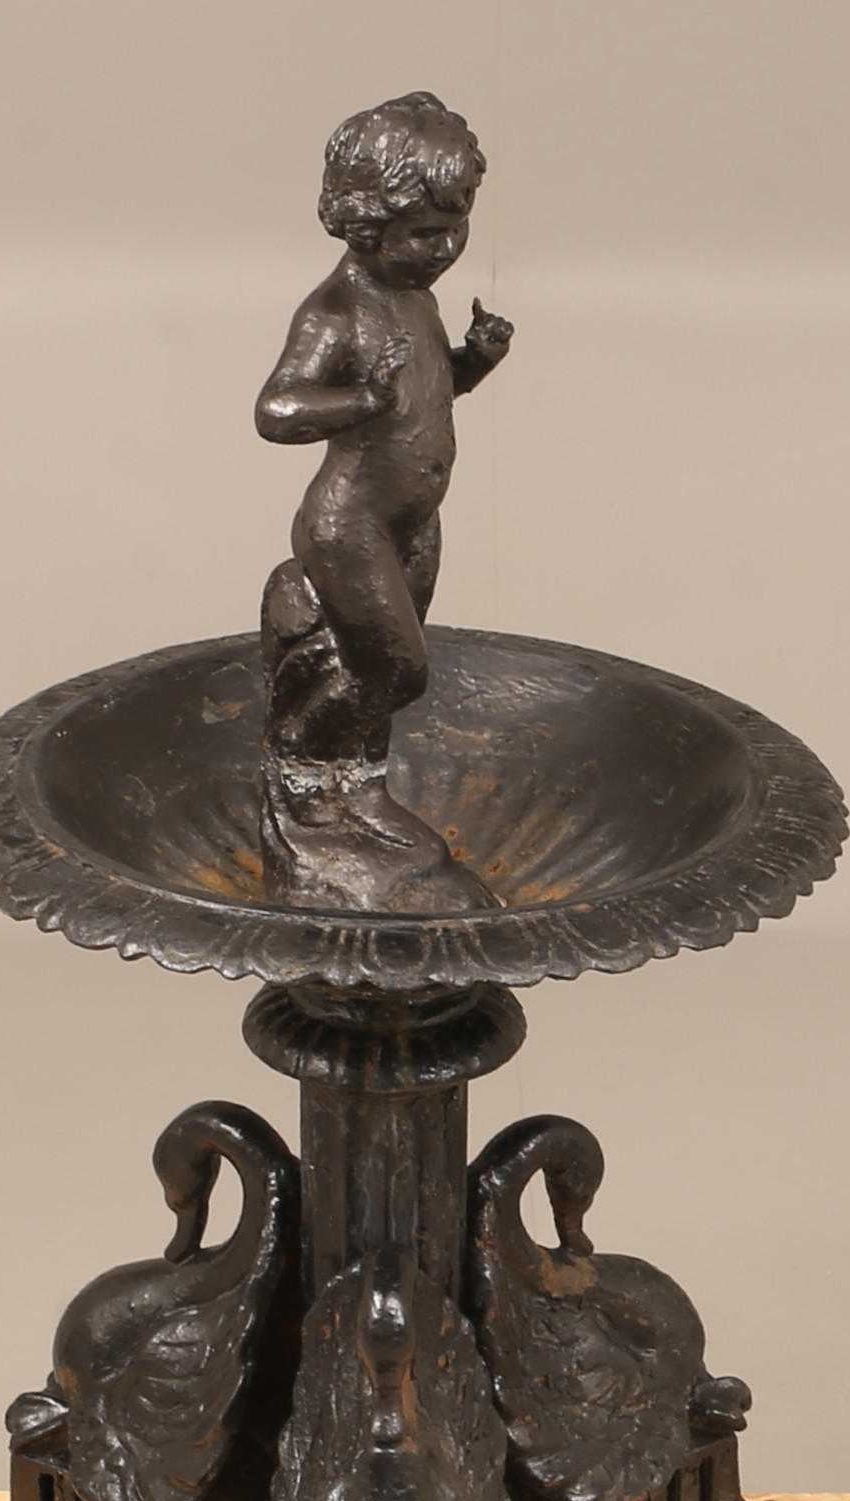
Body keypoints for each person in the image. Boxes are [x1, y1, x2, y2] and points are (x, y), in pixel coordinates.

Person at [256, 93, 513, 911]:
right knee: (397, 670)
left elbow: (428, 395)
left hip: (412, 522)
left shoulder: (418, 300)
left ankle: (358, 791)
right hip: (351, 525)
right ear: (365, 226)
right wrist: (361, 398)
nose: (446, 250)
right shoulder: (335, 312)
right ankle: (299, 762)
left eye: (456, 229)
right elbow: (277, 410)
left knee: (374, 671)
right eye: (426, 234)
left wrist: (474, 362)